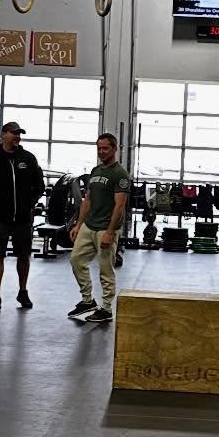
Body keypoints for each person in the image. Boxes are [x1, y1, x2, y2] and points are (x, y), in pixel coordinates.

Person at [0, 119, 46, 313]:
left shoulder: (28, 159)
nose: (17, 137)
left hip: (22, 219)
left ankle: (23, 291)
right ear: (3, 135)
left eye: (19, 134)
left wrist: (30, 203)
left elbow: (40, 185)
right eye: (14, 133)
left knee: (24, 256)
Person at [68, 132, 130, 326]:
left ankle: (106, 309)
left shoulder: (120, 174)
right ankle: (87, 301)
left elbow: (119, 206)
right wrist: (78, 224)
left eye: (105, 148)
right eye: (99, 148)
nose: (102, 152)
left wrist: (110, 232)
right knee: (76, 259)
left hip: (106, 228)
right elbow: (88, 199)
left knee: (105, 269)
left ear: (115, 149)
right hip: (89, 225)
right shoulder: (95, 171)